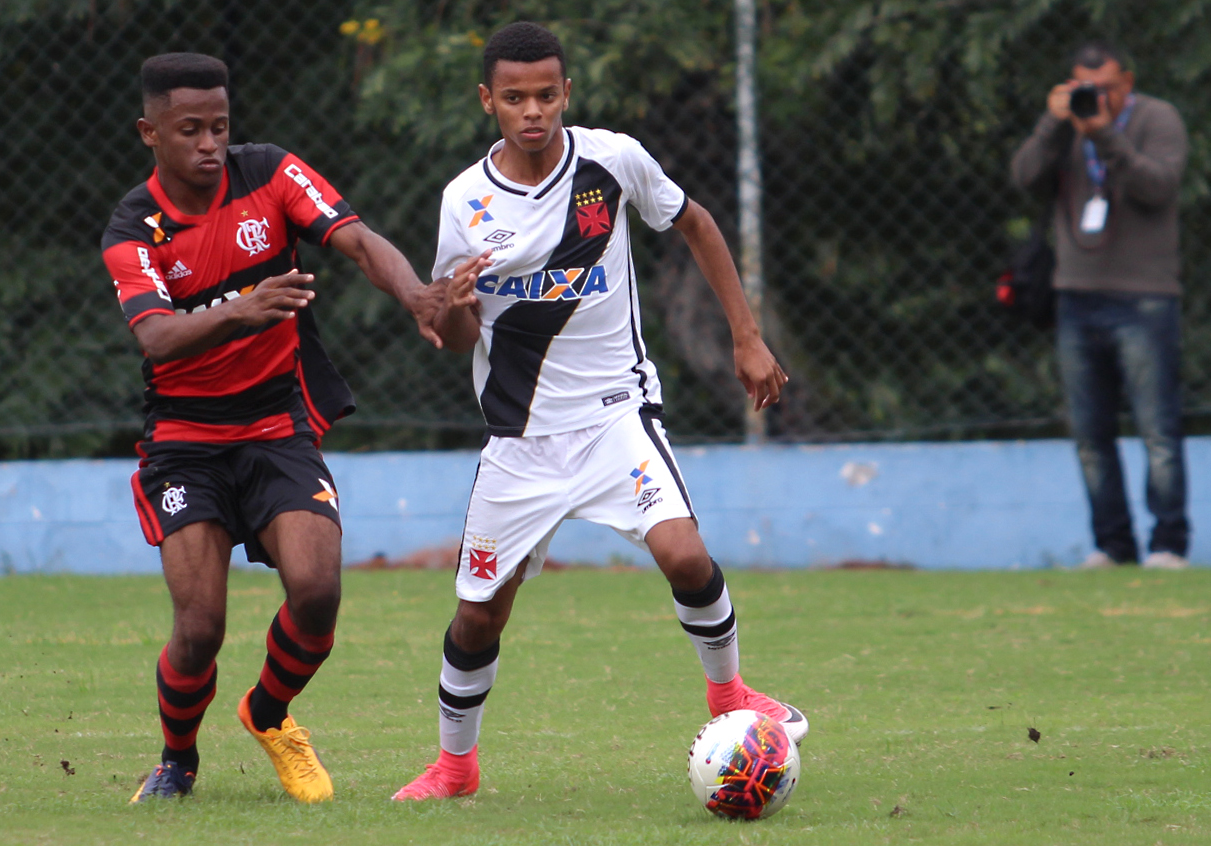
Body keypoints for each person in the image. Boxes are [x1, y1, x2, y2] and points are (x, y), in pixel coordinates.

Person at [391, 22, 808, 802]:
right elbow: (456, 337)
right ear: (488, 101)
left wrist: (747, 336)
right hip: (520, 437)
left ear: (567, 93)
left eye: (547, 95)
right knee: (479, 617)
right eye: (515, 97)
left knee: (685, 556)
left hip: (617, 413)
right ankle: (455, 767)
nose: (533, 111)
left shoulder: (612, 162)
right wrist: (452, 305)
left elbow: (696, 224)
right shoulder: (464, 201)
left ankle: (730, 695)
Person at [101, 53, 441, 803]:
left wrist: (417, 294)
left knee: (317, 591)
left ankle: (268, 712)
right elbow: (156, 337)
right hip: (184, 445)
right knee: (200, 628)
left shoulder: (270, 173)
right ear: (149, 133)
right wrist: (243, 309)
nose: (209, 143)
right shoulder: (134, 226)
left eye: (220, 126)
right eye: (189, 129)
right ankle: (177, 761)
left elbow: (358, 239)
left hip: (276, 427)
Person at [1011, 42, 1190, 570]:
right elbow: (1023, 177)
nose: (1098, 97)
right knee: (1090, 434)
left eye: (1108, 87)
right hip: (1076, 295)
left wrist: (1104, 133)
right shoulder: (1064, 126)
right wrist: (1053, 123)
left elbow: (1157, 186)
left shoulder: (1158, 119)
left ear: (1127, 82)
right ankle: (1112, 545)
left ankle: (1168, 543)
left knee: (1158, 430)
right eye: (1087, 88)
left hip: (1145, 298)